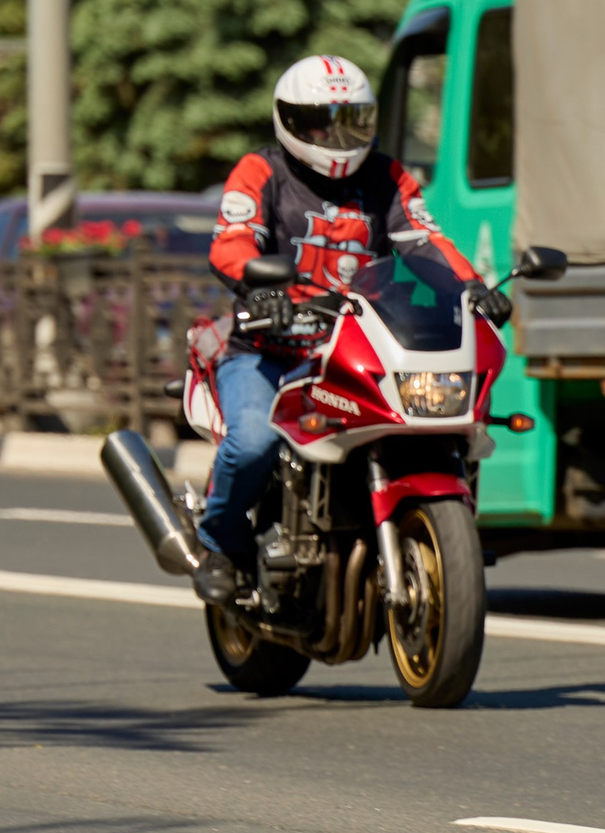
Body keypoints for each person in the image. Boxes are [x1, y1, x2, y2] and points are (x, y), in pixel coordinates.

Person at [192, 55, 494, 605]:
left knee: (434, 421)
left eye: (349, 119)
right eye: (318, 121)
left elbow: (426, 240)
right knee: (254, 443)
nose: (334, 135)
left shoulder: (388, 176)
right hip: (268, 347)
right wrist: (260, 290)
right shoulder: (261, 171)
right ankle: (220, 544)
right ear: (288, 120)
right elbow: (231, 241)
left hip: (355, 345)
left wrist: (473, 287)